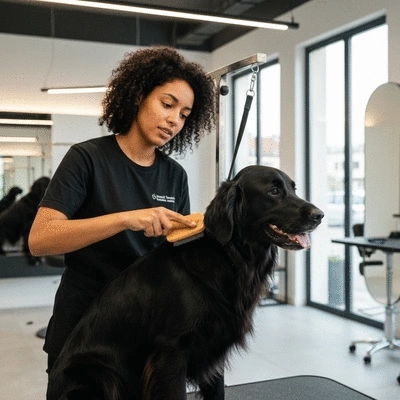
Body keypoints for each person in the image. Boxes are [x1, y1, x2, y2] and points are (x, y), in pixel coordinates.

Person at [28, 46, 216, 375]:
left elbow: (175, 256)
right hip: (82, 321)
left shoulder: (175, 175)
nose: (174, 120)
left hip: (144, 324)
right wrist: (126, 219)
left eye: (184, 114)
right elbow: (41, 240)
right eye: (167, 104)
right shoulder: (87, 159)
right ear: (139, 96)